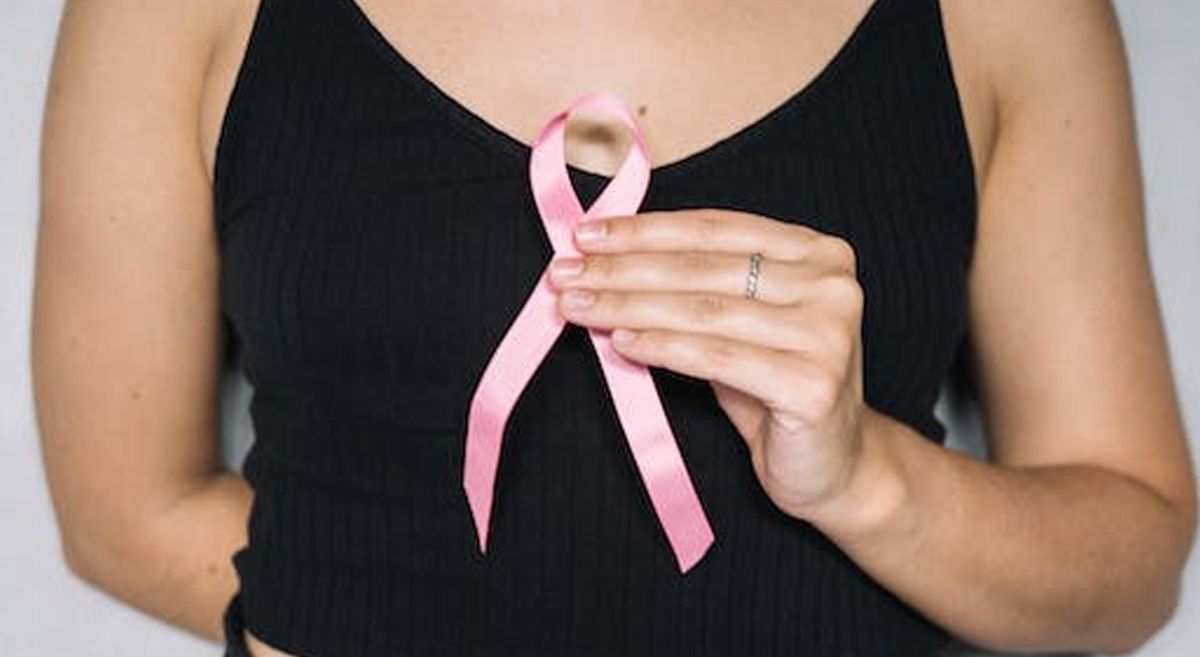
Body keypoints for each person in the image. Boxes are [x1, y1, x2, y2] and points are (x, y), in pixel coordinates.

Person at [32, 0, 1196, 655]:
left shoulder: (1010, 19)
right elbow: (123, 510)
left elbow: (1134, 560)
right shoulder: (174, 13)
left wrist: (869, 480)